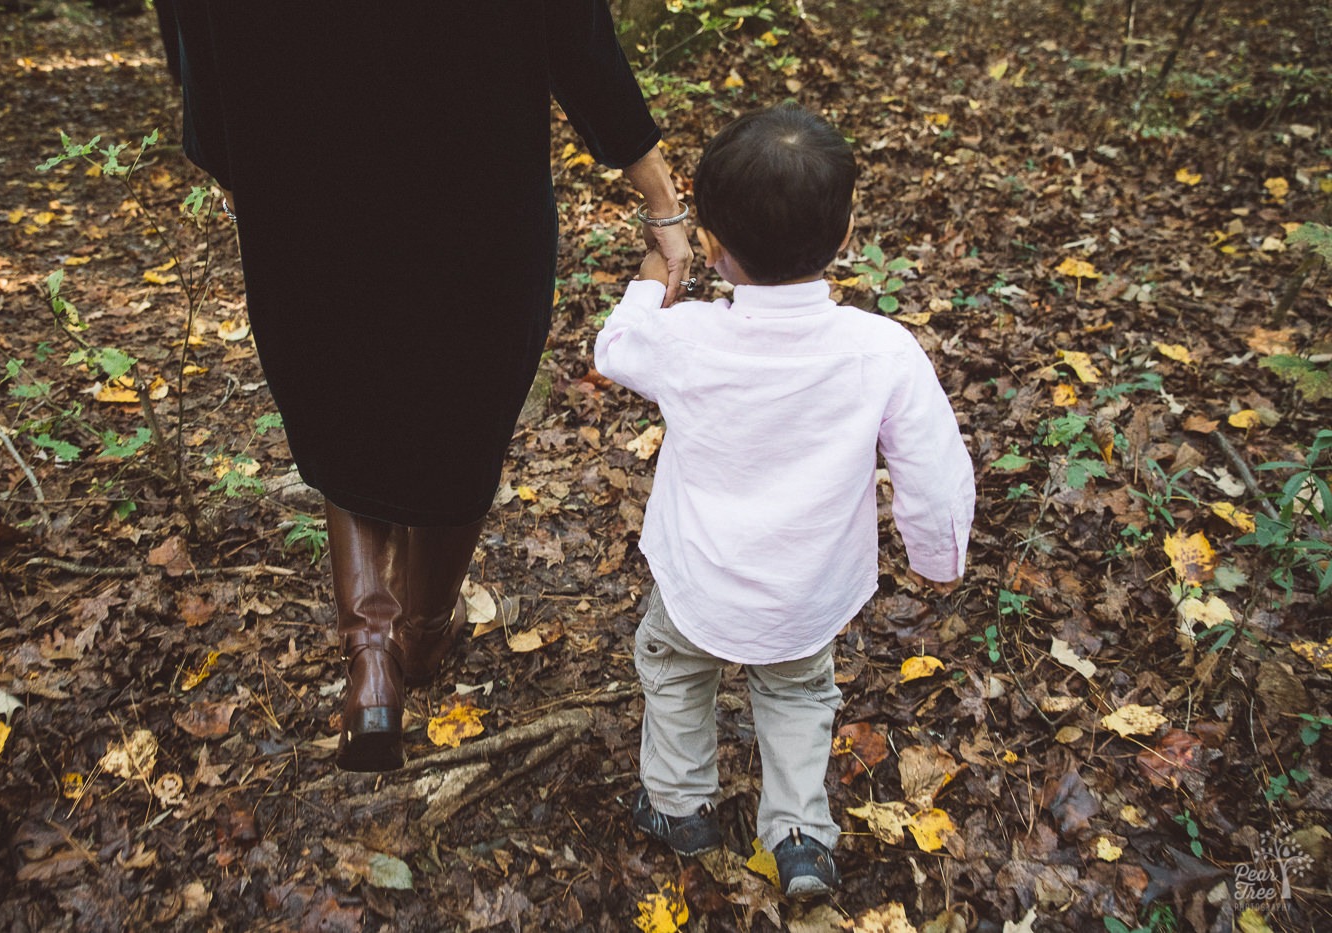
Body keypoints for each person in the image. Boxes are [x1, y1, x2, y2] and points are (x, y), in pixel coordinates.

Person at [158, 2, 694, 772]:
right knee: (463, 402)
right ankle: (422, 633)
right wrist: (658, 195)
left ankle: (372, 662)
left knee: (340, 388)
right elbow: (573, 26)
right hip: (476, 179)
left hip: (300, 177)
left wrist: (234, 158)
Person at [593, 104, 975, 898]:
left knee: (672, 669)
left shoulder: (690, 336)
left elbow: (615, 348)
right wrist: (939, 557)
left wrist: (653, 274)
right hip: (807, 589)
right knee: (798, 691)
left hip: (698, 581)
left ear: (711, 244)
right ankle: (800, 833)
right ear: (843, 237)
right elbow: (935, 467)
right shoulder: (880, 350)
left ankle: (679, 803)